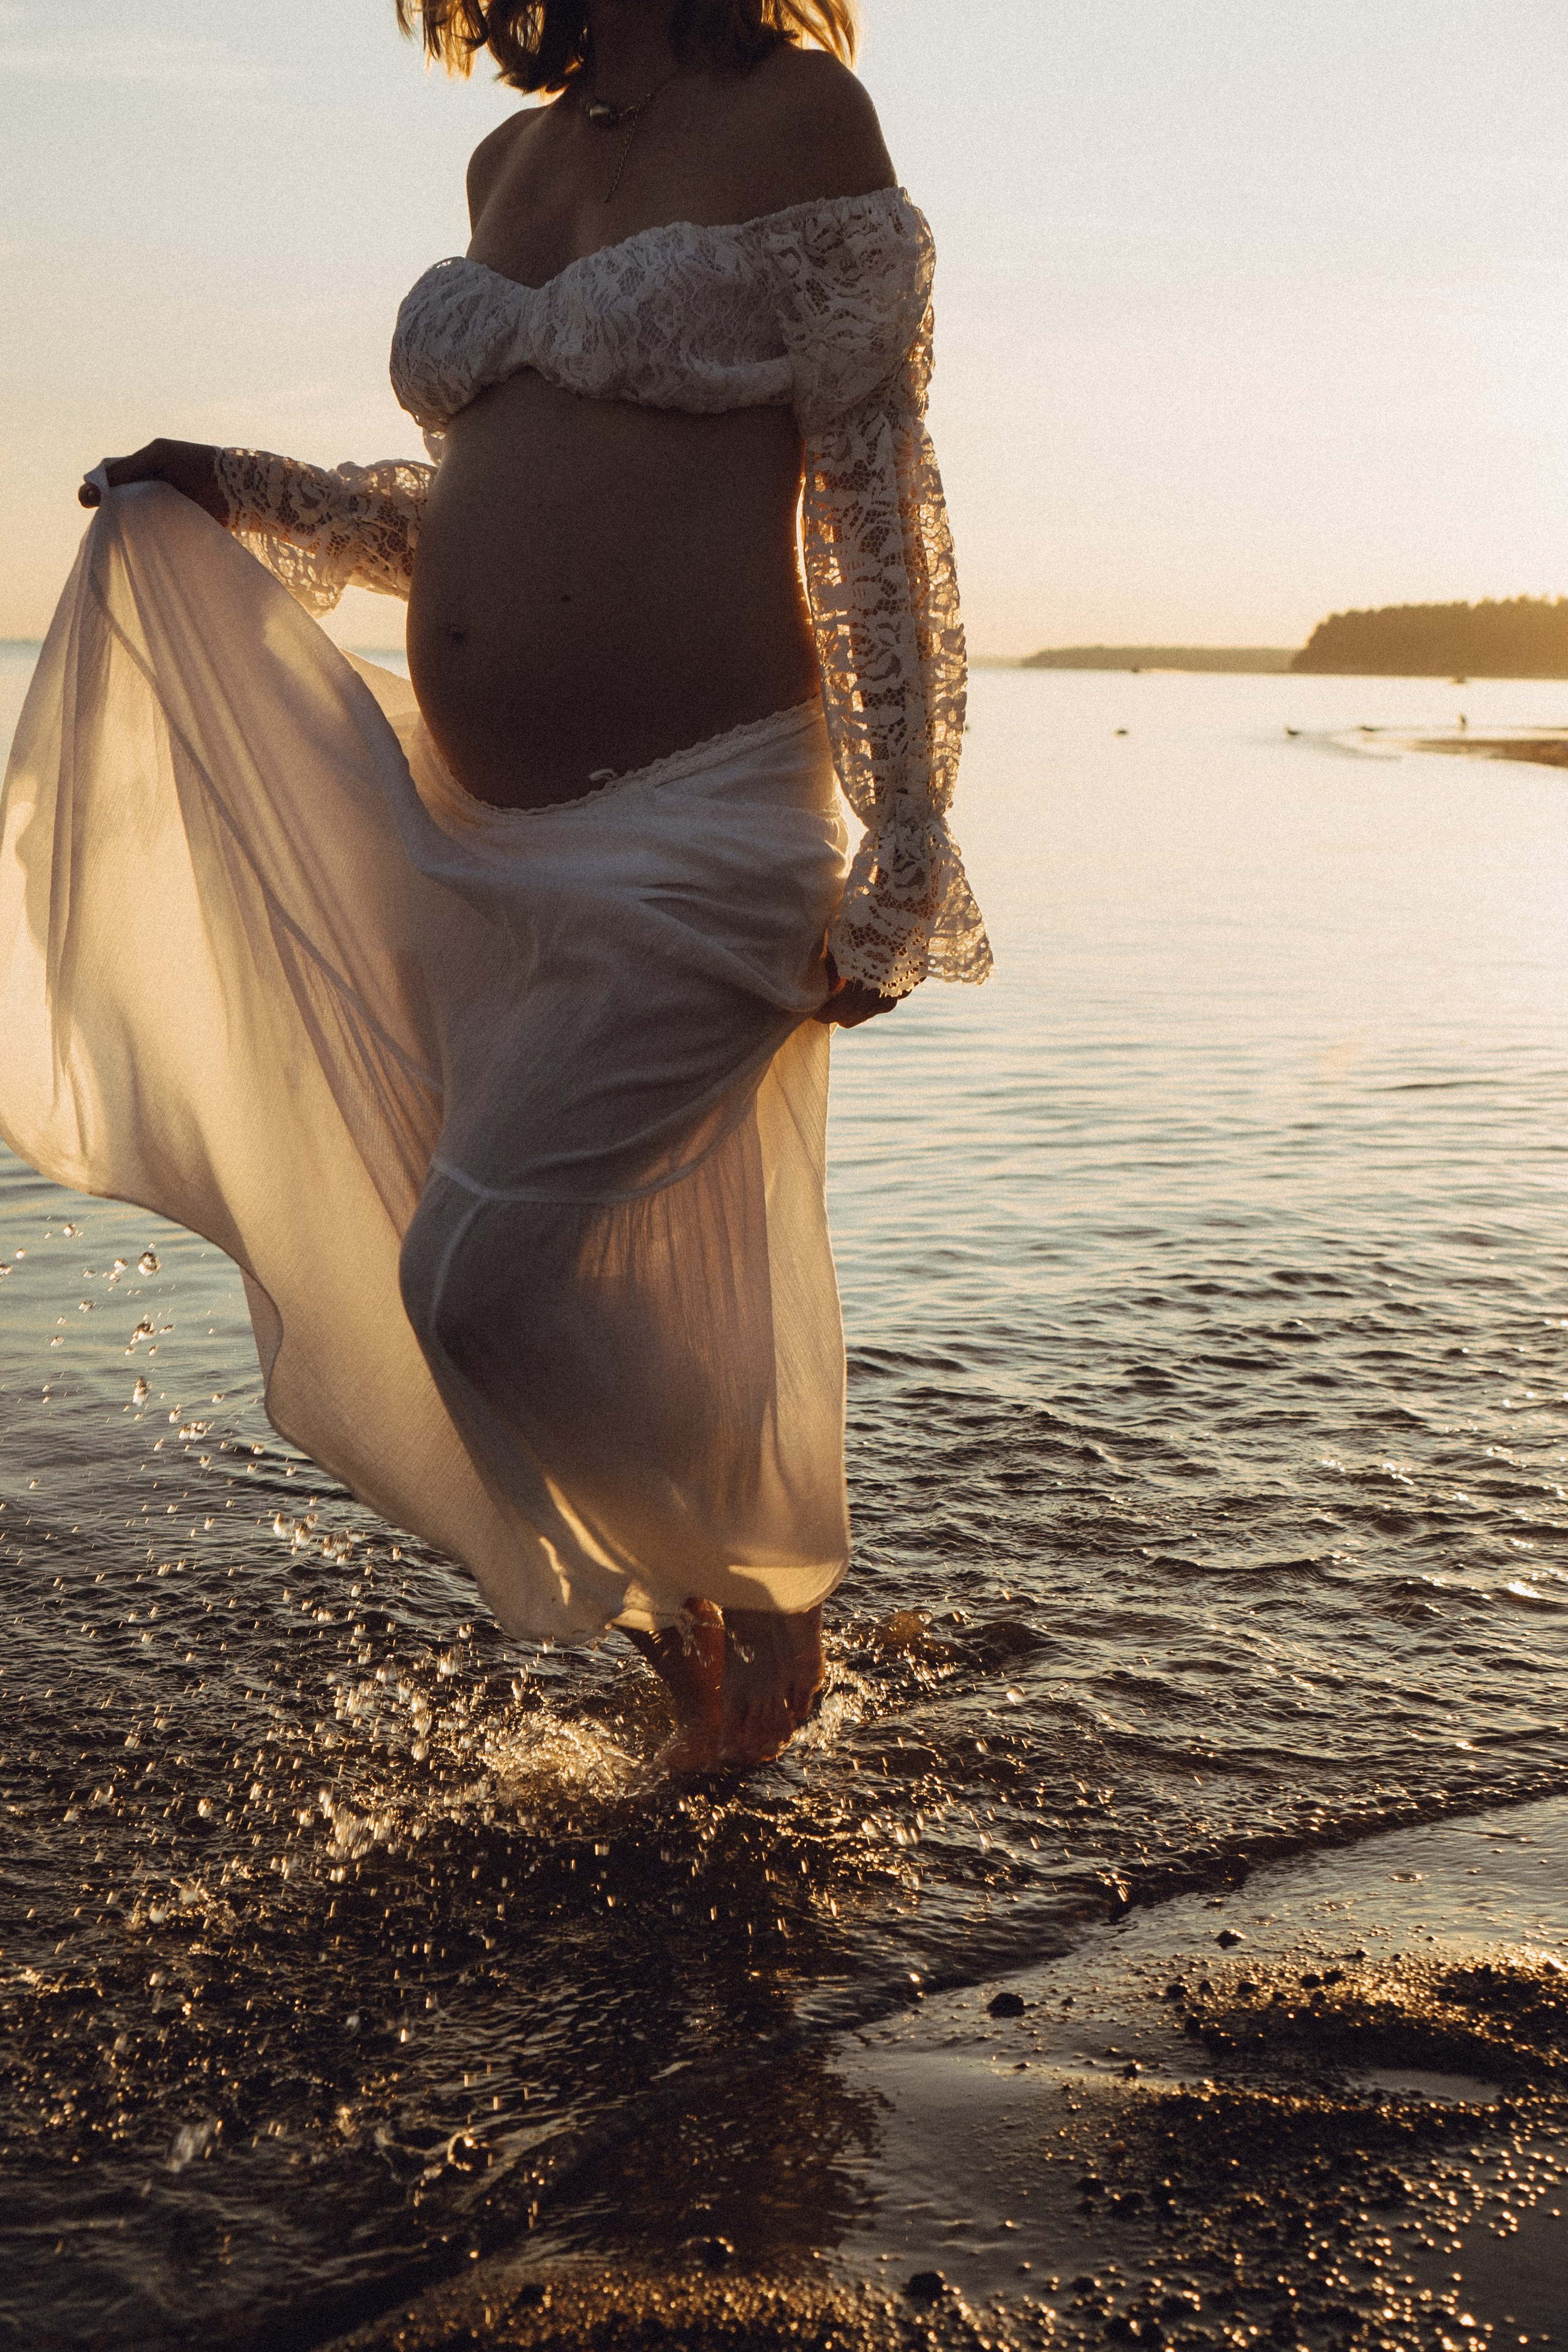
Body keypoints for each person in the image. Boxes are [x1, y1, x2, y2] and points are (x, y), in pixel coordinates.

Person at [1, 0, 989, 1772]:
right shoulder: (511, 158)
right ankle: (683, 1618)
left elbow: (867, 487)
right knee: (506, 1264)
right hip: (470, 834)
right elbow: (460, 513)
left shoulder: (800, 116)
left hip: (700, 827)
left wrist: (907, 833)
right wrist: (226, 488)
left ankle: (759, 1587)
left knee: (472, 1279)